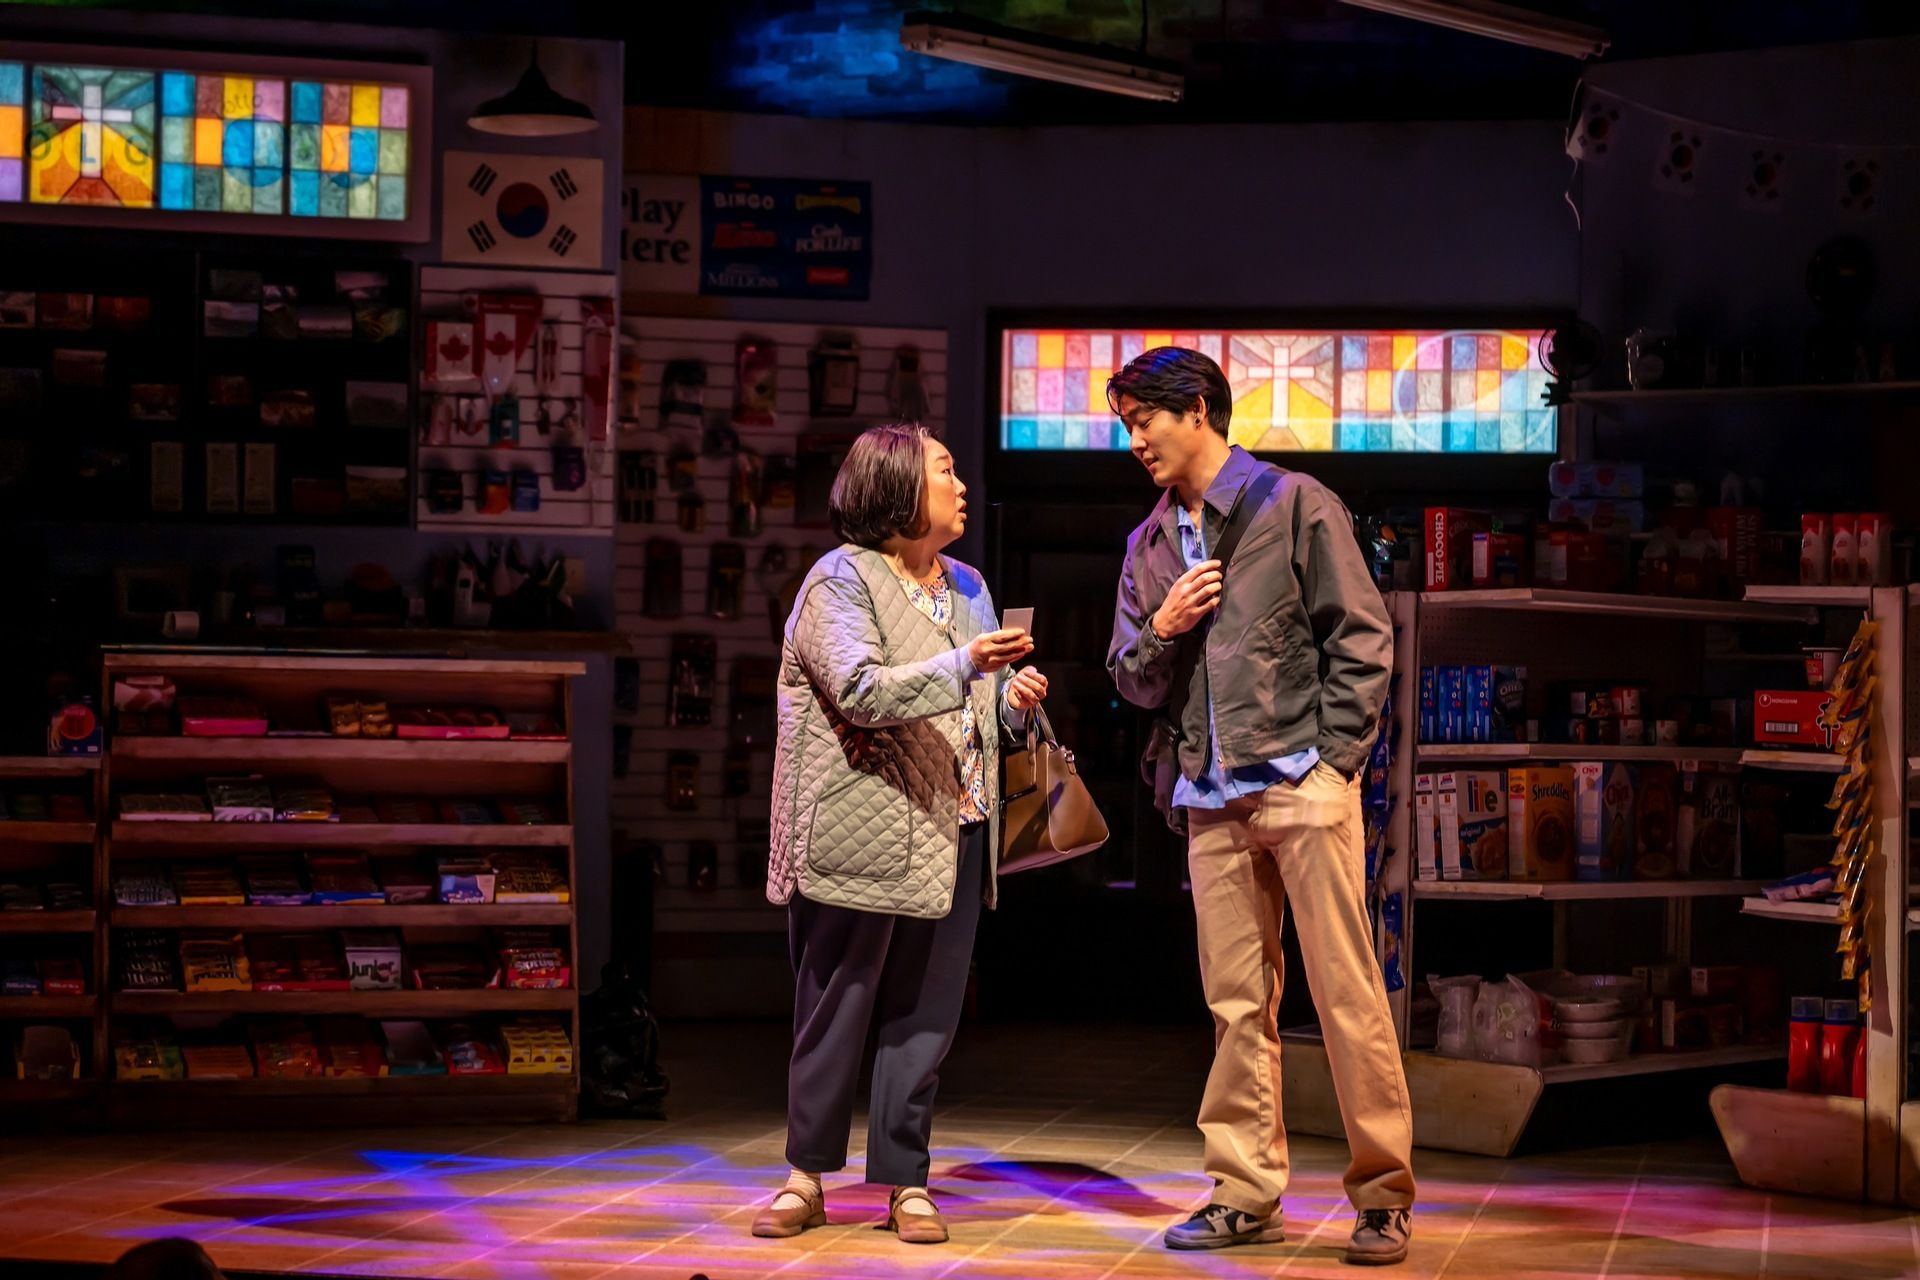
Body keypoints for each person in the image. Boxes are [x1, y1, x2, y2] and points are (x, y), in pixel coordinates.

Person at [1105, 347, 1415, 1265]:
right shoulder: (1149, 544)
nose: (1135, 441)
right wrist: (1163, 627)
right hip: (1208, 796)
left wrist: (1333, 764)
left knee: (1346, 993)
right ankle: (1244, 1192)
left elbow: (1364, 636)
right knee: (1237, 1005)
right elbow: (1131, 679)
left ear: (1198, 409)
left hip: (1300, 784)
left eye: (1144, 420)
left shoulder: (1294, 503)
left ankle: (1383, 1194)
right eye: (1126, 426)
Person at [756, 422, 1048, 1245]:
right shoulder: (839, 581)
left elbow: (974, 706)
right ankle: (805, 1177)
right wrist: (969, 666)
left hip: (955, 828)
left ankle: (905, 1181)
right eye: (944, 471)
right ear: (897, 488)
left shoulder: (970, 586)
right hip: (861, 831)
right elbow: (859, 690)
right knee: (835, 1007)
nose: (961, 485)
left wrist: (1009, 701)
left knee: (925, 1019)